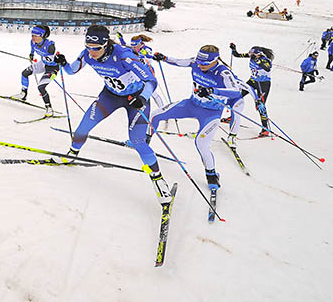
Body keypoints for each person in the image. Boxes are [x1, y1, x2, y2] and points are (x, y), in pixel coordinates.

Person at [54, 25, 173, 205]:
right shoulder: (87, 54)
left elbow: (151, 80)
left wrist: (142, 98)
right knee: (83, 126)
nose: (91, 52)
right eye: (88, 47)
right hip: (110, 96)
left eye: (96, 48)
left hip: (135, 99)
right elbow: (71, 70)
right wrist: (63, 63)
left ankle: (158, 180)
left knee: (138, 140)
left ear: (106, 44)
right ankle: (72, 154)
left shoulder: (125, 56)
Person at [151, 46, 249, 192]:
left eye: (205, 63)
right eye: (200, 62)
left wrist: (213, 91)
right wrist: (164, 58)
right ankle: (143, 143)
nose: (201, 65)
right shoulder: (196, 62)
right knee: (155, 115)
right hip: (191, 104)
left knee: (201, 143)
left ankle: (211, 175)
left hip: (211, 113)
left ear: (215, 60)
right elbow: (178, 61)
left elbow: (236, 92)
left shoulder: (223, 73)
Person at [11, 24, 60, 116]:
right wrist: (31, 55)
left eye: (35, 36)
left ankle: (49, 107)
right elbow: (32, 49)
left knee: (41, 87)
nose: (33, 37)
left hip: (52, 68)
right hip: (43, 63)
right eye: (32, 35)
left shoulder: (50, 46)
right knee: (24, 73)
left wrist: (58, 61)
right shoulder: (33, 42)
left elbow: (56, 57)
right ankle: (23, 94)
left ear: (42, 36)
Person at [229, 43, 274, 136]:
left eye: (253, 54)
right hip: (252, 81)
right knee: (237, 96)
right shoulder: (252, 56)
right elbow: (237, 55)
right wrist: (234, 49)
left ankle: (265, 128)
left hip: (263, 84)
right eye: (250, 54)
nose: (250, 55)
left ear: (259, 54)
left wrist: (258, 61)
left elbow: (268, 68)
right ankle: (232, 116)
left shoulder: (265, 60)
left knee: (260, 105)